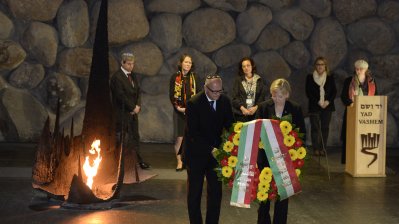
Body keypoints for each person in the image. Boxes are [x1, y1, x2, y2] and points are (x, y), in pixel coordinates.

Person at [184, 74, 234, 224]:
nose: (218, 94)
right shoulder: (194, 103)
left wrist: (233, 143)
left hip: (216, 155)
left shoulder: (224, 101)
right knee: (194, 193)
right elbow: (193, 133)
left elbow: (230, 125)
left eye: (220, 91)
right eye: (214, 91)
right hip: (196, 153)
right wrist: (211, 149)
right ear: (205, 88)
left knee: (216, 193)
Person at [255, 78, 306, 224]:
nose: (276, 98)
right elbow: (257, 131)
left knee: (282, 197)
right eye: (274, 95)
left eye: (280, 96)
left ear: (287, 95)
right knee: (264, 195)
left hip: (286, 160)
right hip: (265, 158)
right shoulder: (263, 107)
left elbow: (301, 134)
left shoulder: (295, 108)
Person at [110, 52, 150, 170]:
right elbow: (120, 96)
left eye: (133, 64)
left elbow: (138, 92)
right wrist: (132, 107)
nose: (131, 66)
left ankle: (137, 161)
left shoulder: (133, 75)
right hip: (121, 113)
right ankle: (118, 163)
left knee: (135, 137)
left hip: (133, 113)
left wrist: (137, 106)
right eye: (129, 64)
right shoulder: (116, 78)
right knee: (121, 138)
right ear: (122, 63)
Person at [340, 59, 377, 164]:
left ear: (366, 69)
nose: (358, 70)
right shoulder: (349, 81)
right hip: (352, 112)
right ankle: (349, 160)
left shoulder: (372, 81)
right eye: (356, 68)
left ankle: (364, 159)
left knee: (364, 137)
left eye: (360, 69)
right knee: (350, 136)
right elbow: (343, 96)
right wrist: (349, 103)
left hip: (367, 115)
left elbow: (376, 96)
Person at [169, 54, 199, 172]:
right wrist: (178, 107)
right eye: (186, 62)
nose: (188, 64)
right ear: (181, 63)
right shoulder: (174, 77)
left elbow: (200, 94)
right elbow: (171, 94)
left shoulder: (195, 77)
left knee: (192, 137)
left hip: (193, 112)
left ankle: (190, 160)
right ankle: (180, 161)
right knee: (180, 138)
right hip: (179, 111)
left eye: (190, 63)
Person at [305, 57, 337, 156]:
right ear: (315, 66)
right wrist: (318, 102)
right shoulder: (310, 77)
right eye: (318, 64)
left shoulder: (330, 77)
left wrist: (327, 101)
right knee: (315, 128)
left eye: (322, 64)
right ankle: (315, 149)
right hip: (314, 106)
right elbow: (308, 92)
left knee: (325, 128)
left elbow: (334, 91)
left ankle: (323, 148)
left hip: (327, 106)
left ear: (325, 66)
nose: (320, 66)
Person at [232, 57, 266, 122]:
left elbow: (262, 97)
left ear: (252, 66)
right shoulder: (238, 80)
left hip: (256, 114)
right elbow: (234, 98)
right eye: (244, 66)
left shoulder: (259, 79)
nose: (246, 68)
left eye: (248, 65)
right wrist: (242, 109)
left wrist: (255, 108)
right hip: (242, 114)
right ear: (242, 68)